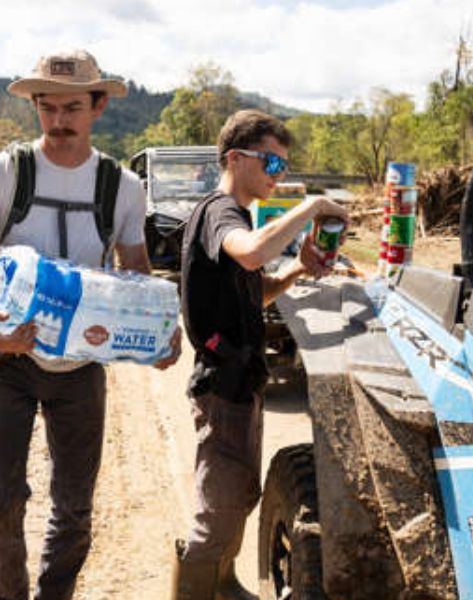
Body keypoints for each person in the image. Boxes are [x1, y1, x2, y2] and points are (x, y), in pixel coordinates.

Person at [0, 48, 181, 600]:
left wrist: (157, 334)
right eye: (46, 108)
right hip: (6, 362)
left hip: (80, 369)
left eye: (72, 107)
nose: (58, 120)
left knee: (74, 508)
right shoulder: (1, 174)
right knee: (2, 502)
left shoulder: (121, 187)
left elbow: (137, 278)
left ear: (98, 106)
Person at [172, 109, 348, 599]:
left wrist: (297, 268)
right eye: (271, 165)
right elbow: (250, 252)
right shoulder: (219, 213)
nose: (279, 176)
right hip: (221, 383)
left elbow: (256, 287)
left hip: (241, 380)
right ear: (235, 158)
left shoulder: (237, 218)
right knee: (221, 505)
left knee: (241, 494)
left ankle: (222, 585)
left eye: (283, 168)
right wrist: (310, 207)